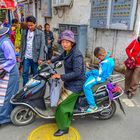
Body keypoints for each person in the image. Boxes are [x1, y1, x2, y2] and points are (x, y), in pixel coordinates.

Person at [48, 30, 85, 136]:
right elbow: (61, 57)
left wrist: (61, 76)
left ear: (72, 43)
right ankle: (68, 116)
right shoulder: (67, 51)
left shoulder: (76, 55)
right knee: (60, 99)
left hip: (76, 84)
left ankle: (64, 128)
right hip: (69, 82)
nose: (64, 44)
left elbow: (77, 73)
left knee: (61, 106)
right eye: (63, 41)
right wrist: (51, 61)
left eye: (67, 42)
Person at [83, 47, 115, 113]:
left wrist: (92, 71)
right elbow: (100, 68)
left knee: (86, 86)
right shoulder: (106, 58)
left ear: (102, 55)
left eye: (98, 57)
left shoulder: (108, 62)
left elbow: (101, 74)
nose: (98, 59)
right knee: (85, 75)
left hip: (100, 78)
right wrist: (91, 68)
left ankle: (93, 106)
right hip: (99, 75)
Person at [0, 23, 19, 125]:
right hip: (5, 71)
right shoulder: (2, 41)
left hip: (10, 72)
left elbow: (11, 60)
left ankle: (4, 118)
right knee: (3, 95)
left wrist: (1, 66)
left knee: (7, 95)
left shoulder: (5, 42)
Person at [19, 16, 45, 86]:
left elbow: (42, 46)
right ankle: (25, 88)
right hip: (26, 57)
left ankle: (34, 89)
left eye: (31, 25)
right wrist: (20, 56)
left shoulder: (40, 33)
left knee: (35, 74)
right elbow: (22, 45)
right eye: (28, 25)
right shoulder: (24, 32)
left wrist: (41, 58)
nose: (30, 27)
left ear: (35, 24)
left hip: (35, 57)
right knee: (25, 73)